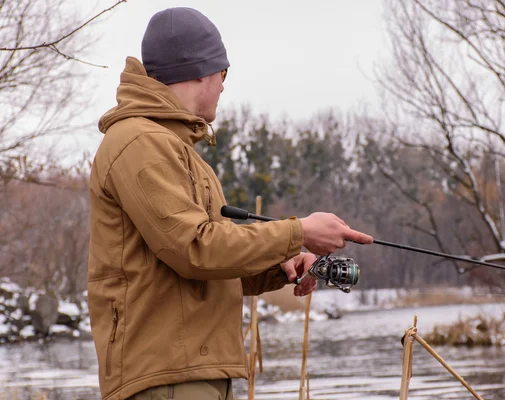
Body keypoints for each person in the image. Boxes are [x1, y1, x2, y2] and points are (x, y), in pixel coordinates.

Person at [87, 7, 373, 400]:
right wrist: (299, 230)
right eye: (224, 73)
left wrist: (282, 265)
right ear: (201, 70)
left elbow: (209, 266)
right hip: (167, 375)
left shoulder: (177, 150)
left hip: (190, 370)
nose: (223, 86)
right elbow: (195, 249)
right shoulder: (140, 142)